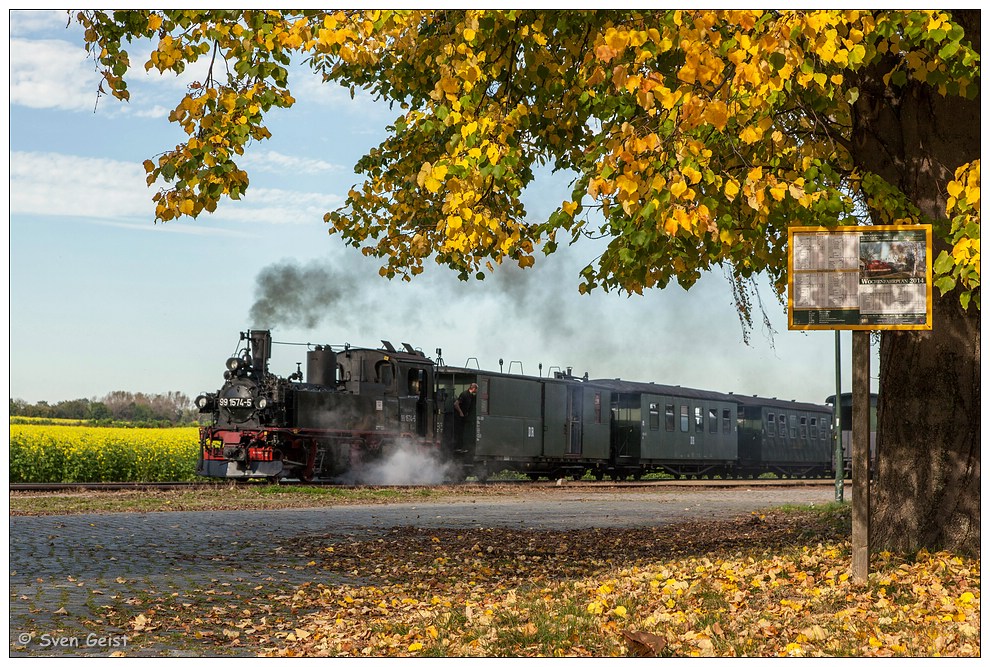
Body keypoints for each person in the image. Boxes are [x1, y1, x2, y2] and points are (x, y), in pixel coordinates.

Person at [452, 383, 478, 452]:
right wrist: (460, 412)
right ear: (474, 388)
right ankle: (456, 447)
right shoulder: (464, 394)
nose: (477, 390)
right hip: (459, 416)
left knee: (462, 431)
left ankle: (461, 447)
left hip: (464, 416)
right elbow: (456, 404)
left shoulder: (471, 396)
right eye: (476, 389)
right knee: (459, 432)